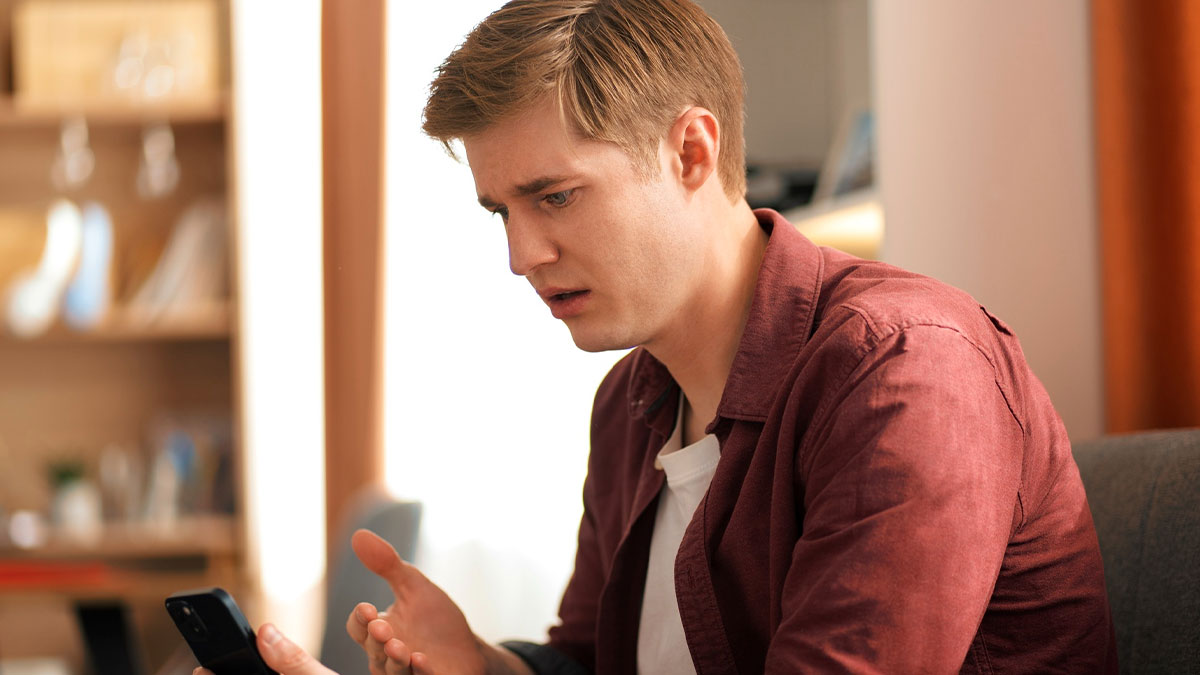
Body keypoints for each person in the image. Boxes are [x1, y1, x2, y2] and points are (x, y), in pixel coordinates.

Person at [202, 0, 1118, 673]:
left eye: (556, 196)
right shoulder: (631, 403)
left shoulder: (904, 371)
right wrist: (486, 666)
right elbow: (593, 659)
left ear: (691, 153)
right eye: (501, 211)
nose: (521, 255)